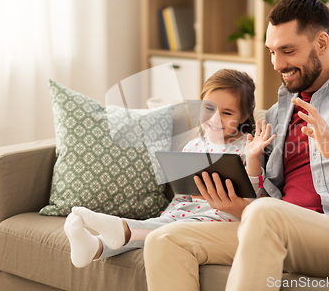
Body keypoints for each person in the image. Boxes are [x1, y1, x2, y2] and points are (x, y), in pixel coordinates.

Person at [143, 0, 329, 291]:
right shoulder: (277, 113)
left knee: (265, 214)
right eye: (272, 52)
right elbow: (263, 203)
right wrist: (237, 206)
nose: (276, 64)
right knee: (165, 239)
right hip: (274, 226)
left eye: (287, 51)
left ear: (321, 43)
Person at [63, 69, 275, 268]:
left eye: (227, 113)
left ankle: (124, 228)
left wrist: (253, 159)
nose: (214, 119)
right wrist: (171, 212)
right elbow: (182, 197)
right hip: (186, 214)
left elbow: (252, 203)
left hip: (222, 220)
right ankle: (95, 247)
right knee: (158, 225)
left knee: (163, 229)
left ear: (245, 116)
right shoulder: (192, 147)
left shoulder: (248, 147)